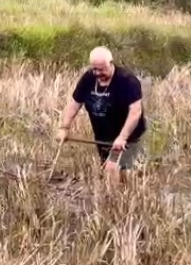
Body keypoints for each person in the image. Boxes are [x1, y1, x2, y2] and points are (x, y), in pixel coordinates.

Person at [55, 46, 147, 188]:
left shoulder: (127, 81)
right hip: (103, 137)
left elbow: (135, 112)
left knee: (112, 169)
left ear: (111, 63)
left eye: (101, 69)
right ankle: (121, 196)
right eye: (95, 69)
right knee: (115, 173)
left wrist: (122, 138)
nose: (97, 73)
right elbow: (74, 104)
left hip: (128, 136)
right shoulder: (88, 79)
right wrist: (64, 128)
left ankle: (114, 204)